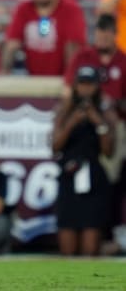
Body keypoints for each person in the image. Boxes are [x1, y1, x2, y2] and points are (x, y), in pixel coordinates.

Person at [52, 65, 116, 256]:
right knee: (68, 248)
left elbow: (108, 151)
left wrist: (98, 122)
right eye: (82, 84)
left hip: (93, 179)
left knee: (90, 249)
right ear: (75, 86)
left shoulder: (105, 112)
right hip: (69, 176)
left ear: (97, 87)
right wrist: (72, 122)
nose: (85, 89)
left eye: (90, 84)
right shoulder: (64, 111)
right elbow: (55, 147)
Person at [0, 0, 86, 76]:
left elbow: (73, 47)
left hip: (63, 76)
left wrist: (69, 79)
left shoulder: (71, 9)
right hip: (33, 75)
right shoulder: (24, 9)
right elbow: (12, 43)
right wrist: (3, 73)